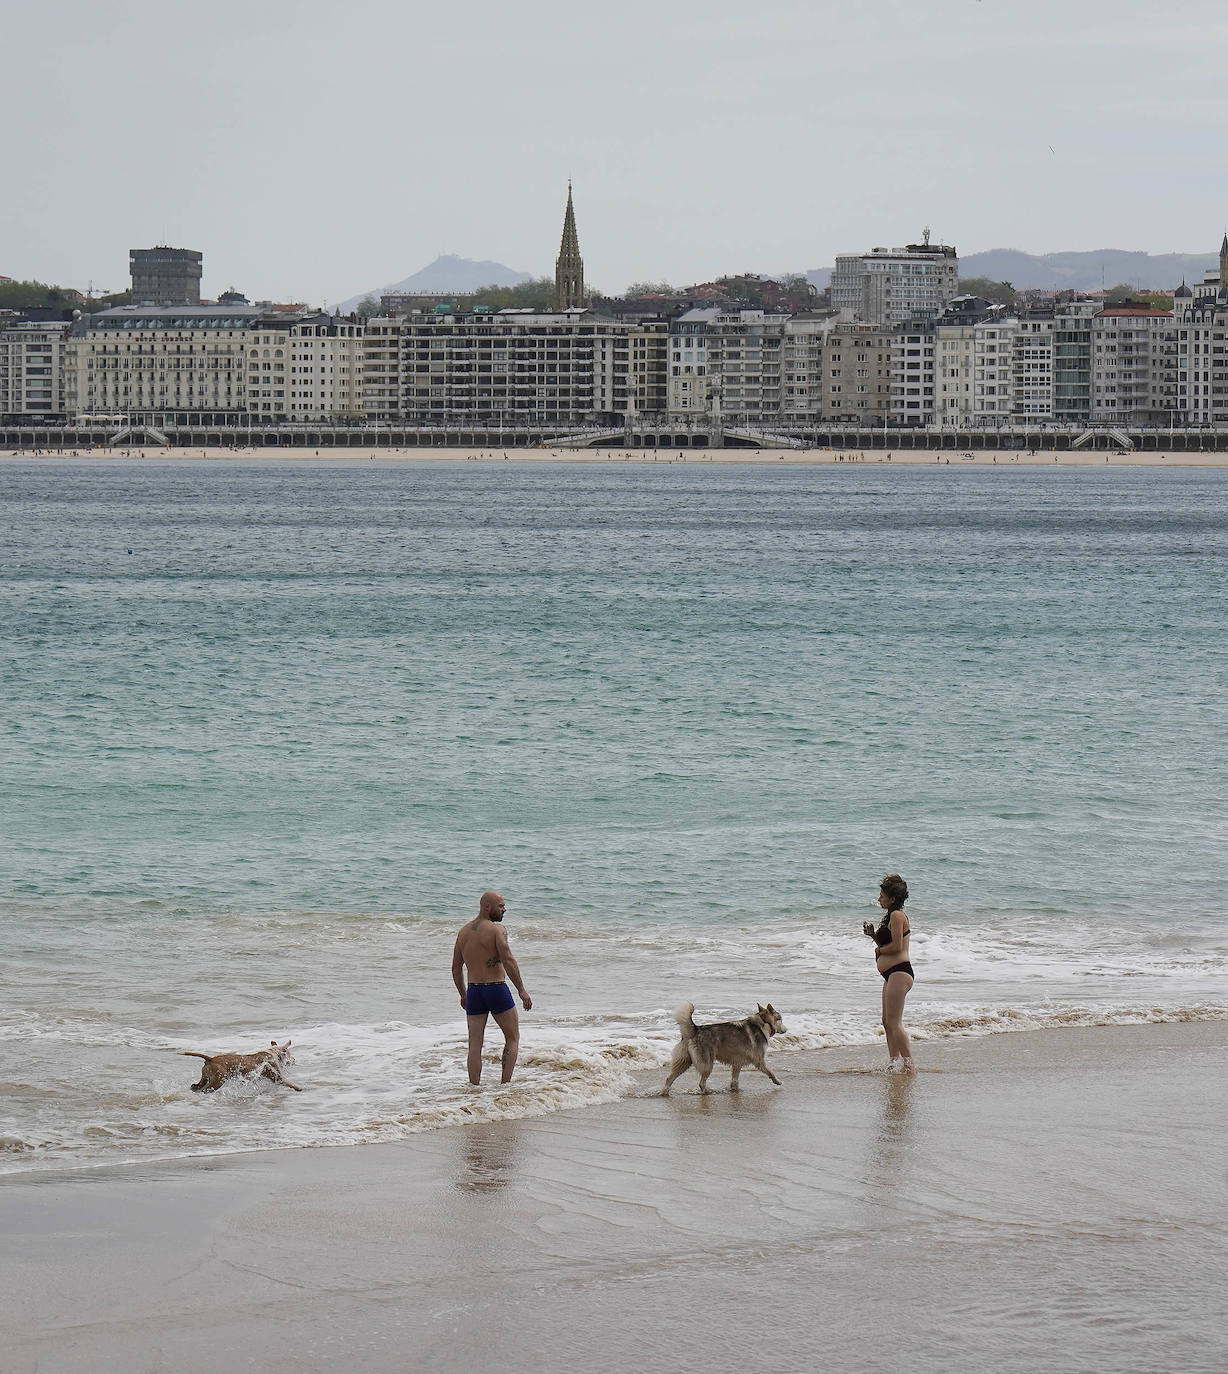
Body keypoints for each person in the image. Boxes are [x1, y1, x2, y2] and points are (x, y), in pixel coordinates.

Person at [451, 891, 532, 1086]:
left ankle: (474, 1088)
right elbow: (508, 959)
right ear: (487, 906)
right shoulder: (497, 930)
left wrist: (463, 994)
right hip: (496, 989)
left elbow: (455, 968)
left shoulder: (463, 932)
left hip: (474, 991)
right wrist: (521, 990)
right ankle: (505, 1085)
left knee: (474, 1044)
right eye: (501, 906)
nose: (504, 910)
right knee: (512, 1037)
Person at [862, 873, 915, 1072]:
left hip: (900, 972)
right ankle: (894, 1062)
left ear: (892, 899)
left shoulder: (897, 915)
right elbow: (888, 943)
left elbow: (897, 947)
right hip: (891, 974)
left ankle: (909, 1065)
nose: (879, 899)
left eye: (882, 895)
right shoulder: (891, 916)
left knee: (894, 1022)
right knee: (886, 1022)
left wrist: (879, 950)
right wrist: (874, 936)